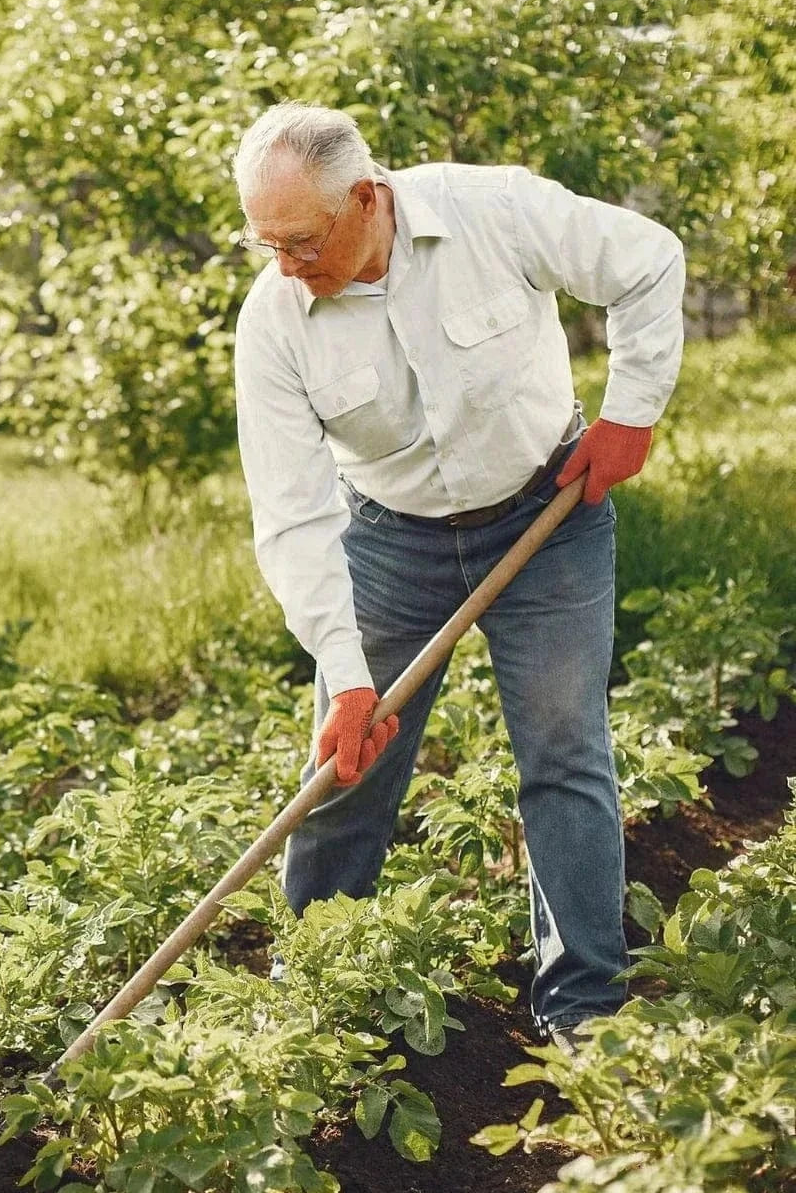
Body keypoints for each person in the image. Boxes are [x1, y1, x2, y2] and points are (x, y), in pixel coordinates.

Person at [231, 102, 685, 1048]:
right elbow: (294, 514)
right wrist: (347, 676)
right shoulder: (274, 320)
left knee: (563, 753)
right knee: (348, 764)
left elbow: (648, 260)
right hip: (389, 543)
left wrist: (631, 413)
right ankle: (310, 998)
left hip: (547, 514)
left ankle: (584, 1007)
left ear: (367, 198)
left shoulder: (494, 212)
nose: (286, 264)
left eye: (303, 240)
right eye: (266, 242)